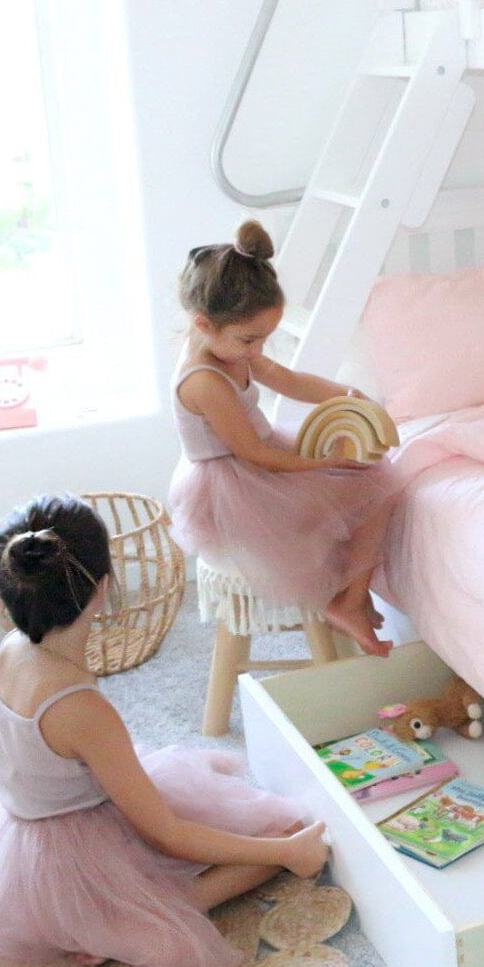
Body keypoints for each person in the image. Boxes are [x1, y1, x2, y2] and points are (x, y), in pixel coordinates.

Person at [0, 494, 327, 967]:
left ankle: (105, 922)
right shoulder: (78, 705)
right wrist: (287, 852)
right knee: (282, 830)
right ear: (103, 588)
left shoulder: (12, 649)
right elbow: (167, 834)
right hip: (70, 855)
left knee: (206, 803)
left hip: (27, 827)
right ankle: (128, 923)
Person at [169, 220, 397, 657]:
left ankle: (350, 593)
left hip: (261, 457)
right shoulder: (204, 380)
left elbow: (287, 379)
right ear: (204, 324)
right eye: (249, 339)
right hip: (235, 481)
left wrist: (350, 394)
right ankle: (345, 600)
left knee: (371, 476)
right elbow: (254, 454)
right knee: (366, 490)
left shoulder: (233, 349)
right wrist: (323, 464)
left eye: (265, 338)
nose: (257, 350)